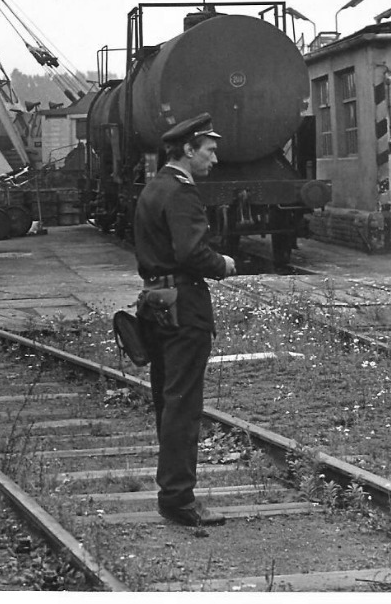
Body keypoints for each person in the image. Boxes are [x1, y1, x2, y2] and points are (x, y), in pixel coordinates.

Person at [133, 112, 236, 527]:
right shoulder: (181, 193)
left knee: (167, 400)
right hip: (184, 306)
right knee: (183, 404)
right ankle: (178, 499)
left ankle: (172, 492)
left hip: (155, 303)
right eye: (208, 151)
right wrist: (223, 264)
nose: (214, 158)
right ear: (188, 150)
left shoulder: (153, 189)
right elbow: (193, 253)